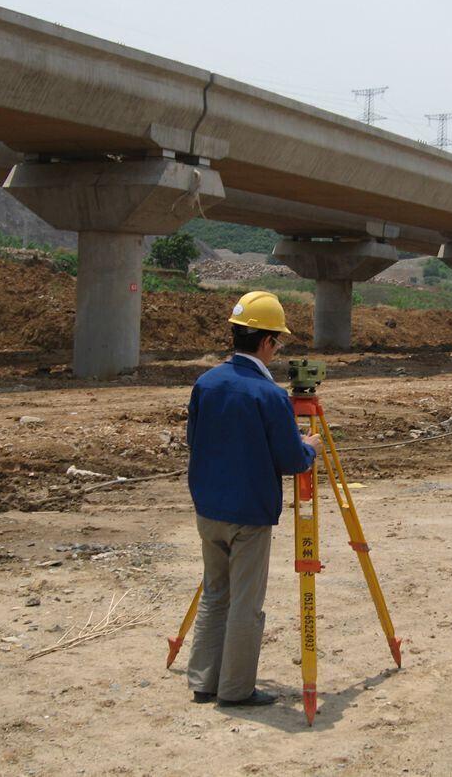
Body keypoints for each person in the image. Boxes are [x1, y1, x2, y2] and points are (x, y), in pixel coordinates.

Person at [184, 290, 322, 708]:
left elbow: (196, 441)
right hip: (249, 515)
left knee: (215, 593)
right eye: (277, 342)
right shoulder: (270, 395)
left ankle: (204, 681)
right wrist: (310, 446)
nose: (278, 350)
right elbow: (290, 460)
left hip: (208, 508)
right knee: (246, 604)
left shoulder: (205, 383)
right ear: (266, 342)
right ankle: (236, 690)